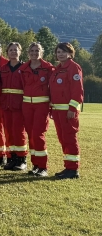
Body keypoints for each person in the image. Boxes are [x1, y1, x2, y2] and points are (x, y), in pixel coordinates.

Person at [19, 42, 55, 177]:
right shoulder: (23, 69)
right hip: (27, 105)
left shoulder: (48, 68)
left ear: (42, 52)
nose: (34, 53)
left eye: (37, 50)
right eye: (32, 51)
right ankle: (35, 165)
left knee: (38, 135)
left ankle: (43, 167)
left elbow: (53, 87)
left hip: (42, 105)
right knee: (31, 135)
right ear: (28, 53)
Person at [49, 42, 83, 180]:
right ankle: (68, 166)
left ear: (70, 53)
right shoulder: (58, 69)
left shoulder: (73, 67)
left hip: (68, 111)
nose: (61, 54)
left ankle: (73, 169)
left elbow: (77, 90)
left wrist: (72, 108)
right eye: (58, 52)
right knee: (63, 139)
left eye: (63, 51)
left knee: (69, 138)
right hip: (58, 110)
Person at [0, 42, 27, 171]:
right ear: (7, 52)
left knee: (19, 132)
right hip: (6, 106)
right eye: (11, 50)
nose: (13, 52)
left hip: (19, 106)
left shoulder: (25, 68)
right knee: (9, 132)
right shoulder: (3, 68)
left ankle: (22, 159)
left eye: (16, 50)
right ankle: (12, 157)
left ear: (20, 52)